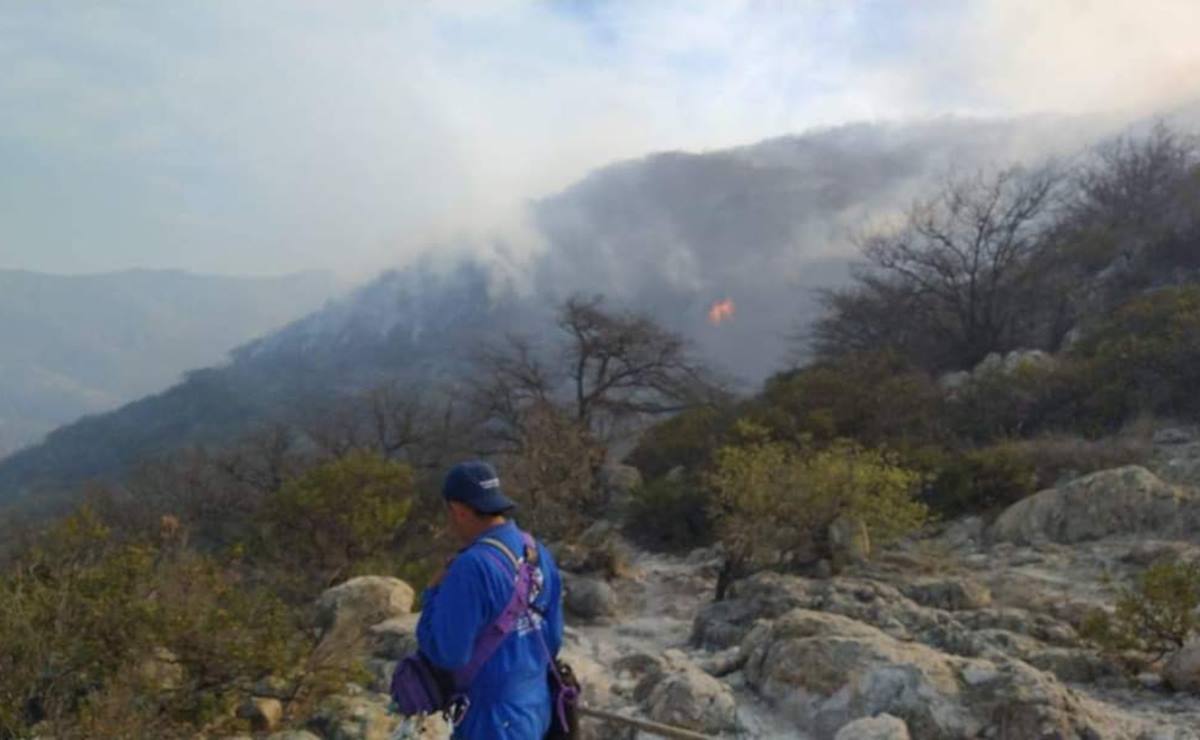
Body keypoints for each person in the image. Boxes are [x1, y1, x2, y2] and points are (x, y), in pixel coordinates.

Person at [416, 460, 564, 739]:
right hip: (535, 707)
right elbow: (554, 638)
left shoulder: (471, 566)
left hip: (490, 719)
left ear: (458, 510)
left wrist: (432, 596)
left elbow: (449, 653)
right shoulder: (536, 551)